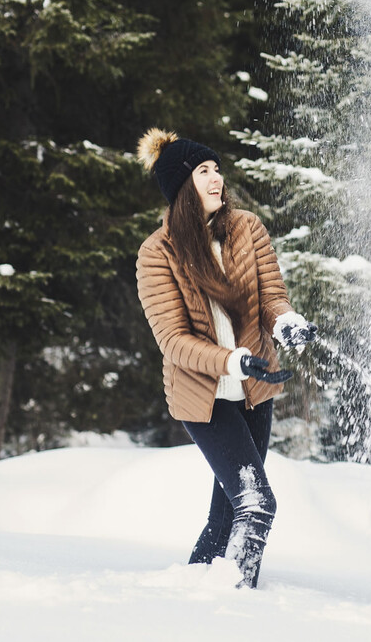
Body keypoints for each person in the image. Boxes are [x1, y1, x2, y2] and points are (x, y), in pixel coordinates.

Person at [134, 128, 317, 589]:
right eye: (203, 171)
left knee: (227, 517)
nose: (216, 178)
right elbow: (173, 340)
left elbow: (272, 295)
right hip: (205, 398)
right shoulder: (158, 253)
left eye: (216, 169)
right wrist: (233, 361)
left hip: (256, 391)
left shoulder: (246, 228)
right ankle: (235, 602)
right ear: (181, 186)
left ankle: (192, 594)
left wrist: (285, 322)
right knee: (256, 503)